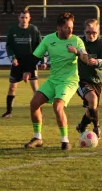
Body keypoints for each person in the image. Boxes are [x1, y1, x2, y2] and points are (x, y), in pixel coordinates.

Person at [24, 12, 89, 151]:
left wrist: (77, 52)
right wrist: (28, 71)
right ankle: (38, 137)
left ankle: (65, 141)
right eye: (67, 27)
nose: (70, 30)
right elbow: (35, 57)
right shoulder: (48, 39)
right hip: (53, 80)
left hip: (69, 81)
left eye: (72, 27)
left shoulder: (77, 41)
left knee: (57, 106)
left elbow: (85, 58)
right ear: (59, 28)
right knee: (34, 103)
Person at [2, 9, 45, 118]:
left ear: (29, 19)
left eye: (26, 17)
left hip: (31, 62)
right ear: (18, 18)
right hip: (17, 63)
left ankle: (39, 110)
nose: (24, 20)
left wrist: (42, 60)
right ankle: (8, 111)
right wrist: (12, 57)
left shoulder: (33, 30)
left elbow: (40, 46)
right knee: (12, 87)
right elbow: (9, 46)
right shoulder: (13, 29)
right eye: (22, 17)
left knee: (35, 88)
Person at [75, 19, 102, 139]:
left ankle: (81, 126)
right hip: (80, 80)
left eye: (94, 32)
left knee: (91, 108)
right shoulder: (78, 42)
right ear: (84, 32)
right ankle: (97, 127)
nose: (91, 35)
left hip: (96, 81)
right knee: (93, 99)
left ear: (98, 31)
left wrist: (97, 62)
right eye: (88, 32)